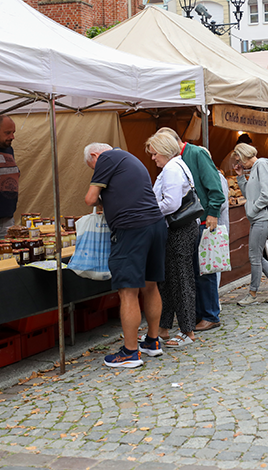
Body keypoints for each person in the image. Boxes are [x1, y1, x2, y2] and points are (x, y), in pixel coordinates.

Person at [83, 143, 165, 368]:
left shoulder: (106, 158)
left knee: (128, 291)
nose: (95, 171)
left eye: (92, 167)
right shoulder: (128, 158)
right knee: (151, 285)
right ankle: (152, 341)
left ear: (94, 155)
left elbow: (90, 199)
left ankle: (130, 352)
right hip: (155, 224)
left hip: (131, 229)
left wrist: (100, 197)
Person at [154, 128, 226, 333]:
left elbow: (214, 187)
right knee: (194, 270)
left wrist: (212, 212)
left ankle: (211, 315)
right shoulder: (178, 160)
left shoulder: (196, 154)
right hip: (191, 221)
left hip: (201, 219)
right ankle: (198, 315)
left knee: (205, 269)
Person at [143, 133, 200, 348]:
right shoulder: (177, 166)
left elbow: (171, 203)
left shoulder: (172, 170)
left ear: (165, 151)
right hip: (179, 229)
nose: (153, 157)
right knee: (169, 280)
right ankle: (164, 327)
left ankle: (187, 330)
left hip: (179, 230)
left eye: (155, 153)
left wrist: (149, 211)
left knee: (181, 280)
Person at [232, 143, 268, 306]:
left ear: (244, 155)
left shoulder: (261, 165)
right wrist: (240, 177)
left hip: (261, 218)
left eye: (239, 160)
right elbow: (248, 194)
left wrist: (253, 210)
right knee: (256, 256)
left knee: (255, 256)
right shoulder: (256, 168)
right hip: (257, 217)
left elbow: (265, 193)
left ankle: (253, 293)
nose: (240, 163)